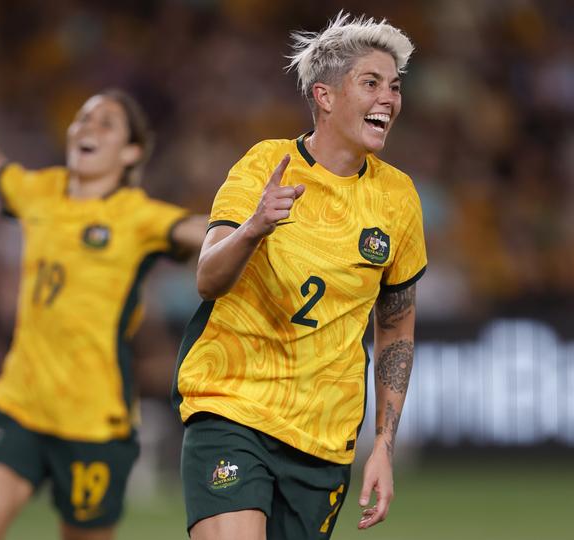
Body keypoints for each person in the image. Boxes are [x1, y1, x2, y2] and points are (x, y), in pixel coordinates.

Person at [0, 89, 207, 540]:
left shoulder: (137, 216)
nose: (88, 127)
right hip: (21, 403)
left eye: (106, 122)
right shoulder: (41, 191)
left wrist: (256, 225)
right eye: (83, 118)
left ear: (131, 151)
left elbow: (202, 229)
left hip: (95, 418)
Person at [171, 12, 426, 539]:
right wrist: (253, 228)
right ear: (325, 96)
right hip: (234, 407)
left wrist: (382, 446)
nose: (388, 99)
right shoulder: (267, 164)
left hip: (324, 439)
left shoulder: (397, 197)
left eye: (395, 87)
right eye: (371, 83)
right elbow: (208, 279)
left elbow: (396, 327)